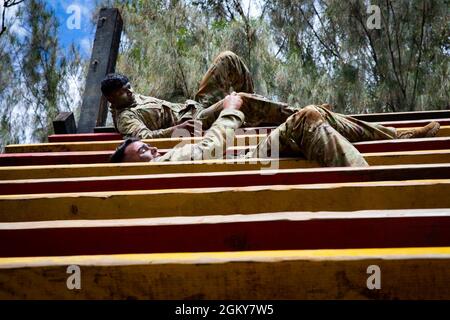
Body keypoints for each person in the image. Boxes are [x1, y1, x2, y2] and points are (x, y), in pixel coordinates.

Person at [110, 93, 440, 167]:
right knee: (307, 117)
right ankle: (369, 189)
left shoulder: (164, 163)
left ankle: (396, 136)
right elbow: (211, 147)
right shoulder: (164, 167)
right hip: (247, 167)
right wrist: (230, 114)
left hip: (247, 160)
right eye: (142, 151)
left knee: (315, 114)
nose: (150, 149)